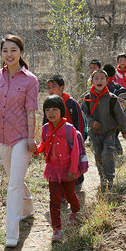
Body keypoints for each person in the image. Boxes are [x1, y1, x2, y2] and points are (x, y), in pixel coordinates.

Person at [0, 34, 39, 248]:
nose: (9, 54)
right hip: (0, 135)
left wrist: (32, 137)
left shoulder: (30, 79)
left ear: (21, 53)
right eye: (5, 50)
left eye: (13, 50)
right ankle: (28, 207)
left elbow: (31, 111)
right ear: (1, 53)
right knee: (14, 177)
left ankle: (11, 234)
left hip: (22, 136)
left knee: (13, 184)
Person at [35, 95, 80, 241]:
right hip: (53, 170)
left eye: (55, 109)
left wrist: (73, 170)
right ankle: (57, 228)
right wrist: (34, 149)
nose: (51, 113)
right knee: (54, 199)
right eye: (47, 110)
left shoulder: (69, 129)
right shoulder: (45, 128)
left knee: (70, 195)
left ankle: (75, 212)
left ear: (61, 111)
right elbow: (44, 145)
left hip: (68, 169)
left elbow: (75, 152)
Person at [83, 70, 126, 190]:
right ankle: (102, 176)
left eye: (102, 78)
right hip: (95, 134)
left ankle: (109, 178)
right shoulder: (87, 99)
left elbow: (120, 115)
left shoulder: (112, 98)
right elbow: (84, 114)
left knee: (107, 154)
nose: (99, 81)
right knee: (98, 155)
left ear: (107, 81)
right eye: (96, 78)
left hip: (110, 132)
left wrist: (125, 131)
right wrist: (91, 122)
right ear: (92, 81)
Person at [45, 75, 86, 192]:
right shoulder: (48, 104)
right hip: (56, 142)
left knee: (74, 160)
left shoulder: (71, 102)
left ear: (62, 88)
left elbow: (79, 120)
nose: (51, 90)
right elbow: (45, 124)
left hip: (71, 139)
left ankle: (77, 182)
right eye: (48, 87)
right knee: (59, 164)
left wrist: (80, 138)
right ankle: (61, 189)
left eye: (54, 87)